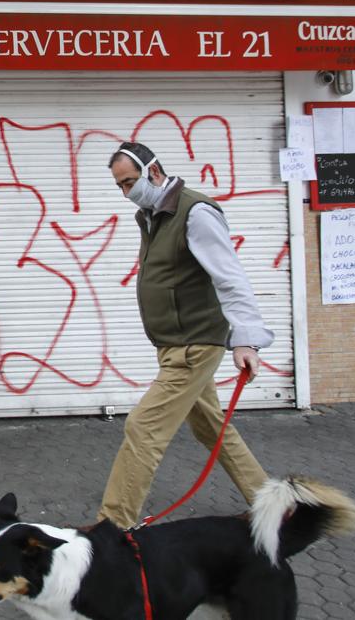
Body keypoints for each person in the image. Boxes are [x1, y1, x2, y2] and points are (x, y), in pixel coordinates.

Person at [98, 141, 273, 529]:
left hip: (194, 346)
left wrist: (246, 338)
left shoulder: (196, 213)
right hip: (175, 344)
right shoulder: (152, 216)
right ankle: (274, 505)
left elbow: (230, 278)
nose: (126, 192)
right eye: (119, 187)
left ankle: (113, 526)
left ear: (154, 172)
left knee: (144, 427)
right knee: (211, 427)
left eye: (130, 182)